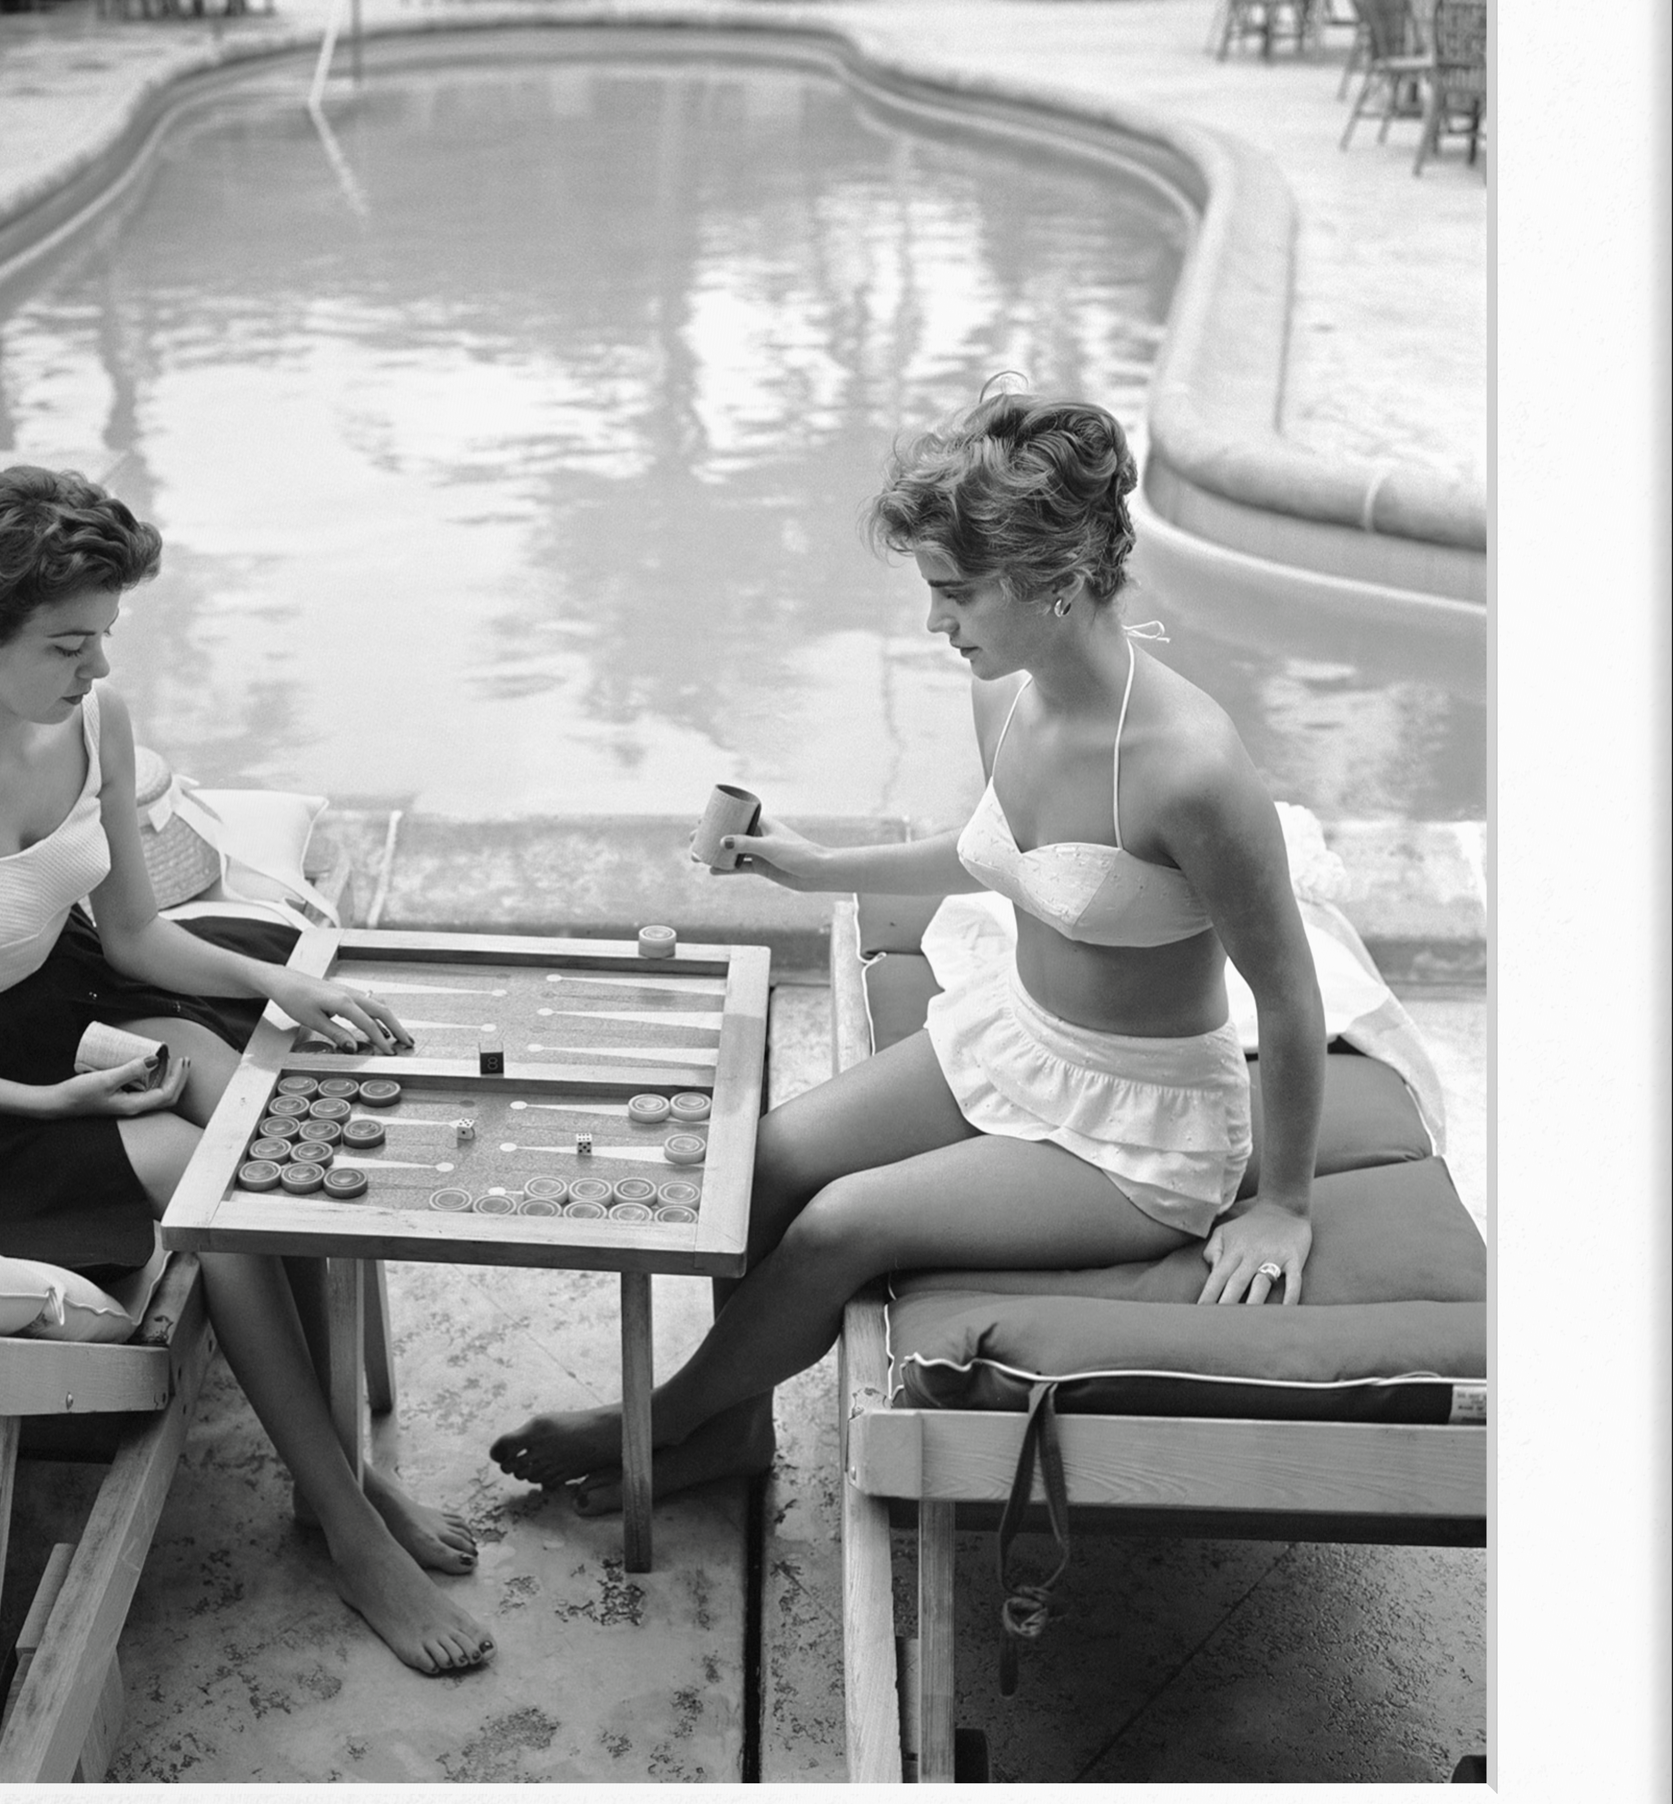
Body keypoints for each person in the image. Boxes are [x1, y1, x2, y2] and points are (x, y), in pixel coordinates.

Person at [492, 388, 1330, 1512]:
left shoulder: (1190, 768)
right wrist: (813, 866)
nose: (937, 624)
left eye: (954, 594)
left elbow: (1286, 994)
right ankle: (727, 1433)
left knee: (847, 1220)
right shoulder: (1009, 696)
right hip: (1016, 1041)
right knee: (769, 1160)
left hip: (1138, 1130)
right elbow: (1003, 852)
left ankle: (656, 1423)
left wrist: (1284, 1202)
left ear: (1054, 580)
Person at [0, 464, 494, 1675]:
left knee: (273, 1096)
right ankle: (345, 1527)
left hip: (57, 1011)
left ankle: (345, 1469)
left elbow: (135, 936)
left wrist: (281, 983)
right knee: (201, 1175)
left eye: (105, 638)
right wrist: (40, 1103)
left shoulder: (94, 721)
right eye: (68, 643)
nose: (96, 669)